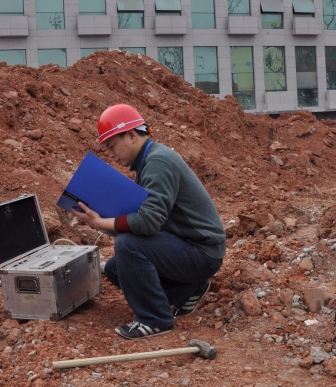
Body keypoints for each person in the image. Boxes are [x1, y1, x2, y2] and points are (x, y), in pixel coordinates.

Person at [70, 103, 226, 340]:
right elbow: (148, 218)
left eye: (112, 146)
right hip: (189, 246)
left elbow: (149, 222)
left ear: (131, 135)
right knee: (116, 269)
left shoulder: (158, 162)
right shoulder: (150, 161)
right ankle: (188, 288)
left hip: (202, 252)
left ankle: (154, 319)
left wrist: (100, 222)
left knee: (127, 245)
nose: (111, 154)